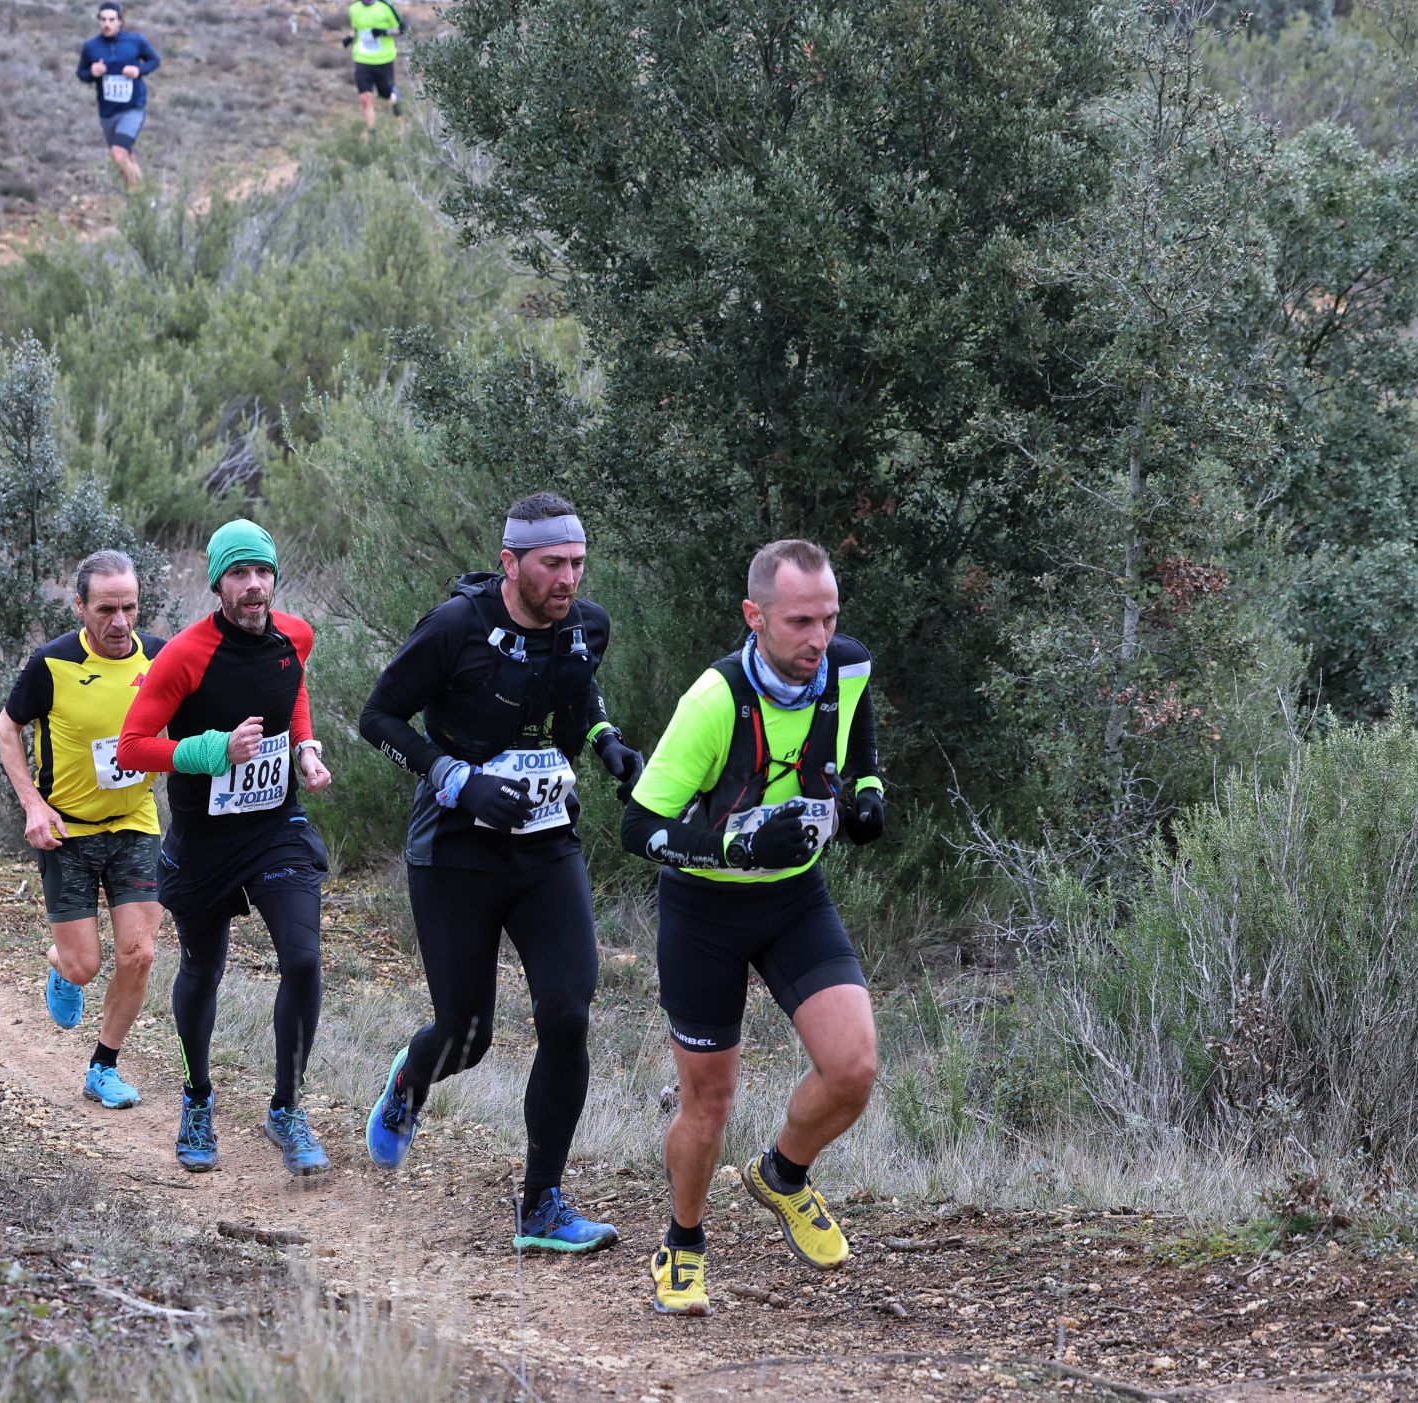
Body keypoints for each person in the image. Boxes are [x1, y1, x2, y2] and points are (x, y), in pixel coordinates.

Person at [358, 491, 645, 1254]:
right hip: (455, 850)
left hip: (547, 846)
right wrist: (455, 776)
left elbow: (576, 692)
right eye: (553, 563)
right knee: (469, 1034)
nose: (569, 578)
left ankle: (540, 1205)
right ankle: (409, 1085)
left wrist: (608, 742)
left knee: (568, 1011)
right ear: (511, 562)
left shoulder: (588, 624)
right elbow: (378, 718)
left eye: (578, 563)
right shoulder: (455, 627)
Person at [619, 538, 886, 1316]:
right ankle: (683, 1240)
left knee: (854, 1066)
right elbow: (638, 827)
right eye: (801, 621)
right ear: (755, 616)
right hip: (704, 912)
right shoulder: (713, 701)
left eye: (829, 618)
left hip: (796, 899)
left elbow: (859, 744)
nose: (818, 639)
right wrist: (736, 845)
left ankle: (782, 1175)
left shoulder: (846, 664)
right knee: (710, 1101)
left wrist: (868, 793)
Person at [116, 520, 335, 1176]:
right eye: (239, 574)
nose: (254, 585)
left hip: (275, 829)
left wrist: (305, 746)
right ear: (217, 584)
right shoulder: (184, 655)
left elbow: (290, 687)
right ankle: (197, 1098)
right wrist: (214, 750)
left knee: (302, 959)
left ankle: (287, 1108)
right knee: (203, 969)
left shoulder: (296, 635)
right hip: (204, 841)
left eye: (262, 572)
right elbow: (131, 747)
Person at [0, 550, 167, 1111]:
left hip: (136, 824)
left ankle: (103, 1067)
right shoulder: (52, 664)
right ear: (80, 607)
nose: (120, 623)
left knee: (139, 953)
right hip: (67, 831)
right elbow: (6, 728)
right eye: (106, 609)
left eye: (130, 608)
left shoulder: (161, 659)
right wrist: (33, 805)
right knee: (84, 965)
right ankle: (60, 967)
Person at [77, 2, 160, 190]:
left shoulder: (135, 41)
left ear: (120, 22)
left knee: (118, 153)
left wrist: (138, 70)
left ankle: (143, 200)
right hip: (107, 113)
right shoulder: (91, 46)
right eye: (103, 19)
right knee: (125, 158)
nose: (107, 24)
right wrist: (92, 72)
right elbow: (81, 74)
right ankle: (138, 203)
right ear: (98, 21)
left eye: (111, 20)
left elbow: (154, 60)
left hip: (132, 108)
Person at [343, 0, 405, 129]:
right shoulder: (354, 8)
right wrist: (350, 38)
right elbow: (357, 29)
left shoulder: (386, 6)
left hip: (383, 59)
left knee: (387, 96)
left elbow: (402, 29)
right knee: (365, 97)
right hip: (362, 59)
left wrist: (383, 32)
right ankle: (372, 133)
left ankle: (401, 121)